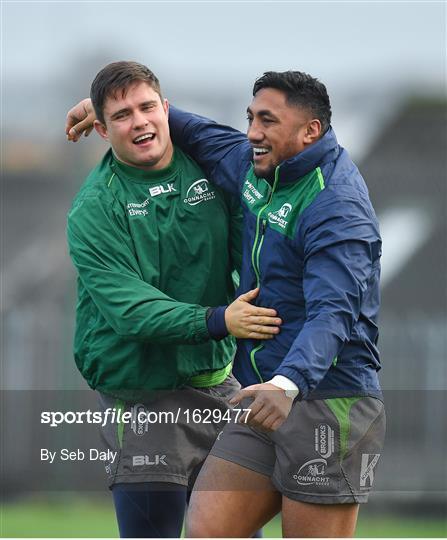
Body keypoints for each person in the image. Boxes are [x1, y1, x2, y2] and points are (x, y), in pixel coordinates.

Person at [66, 70, 386, 538]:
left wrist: (289, 382)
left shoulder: (337, 207)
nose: (252, 132)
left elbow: (333, 315)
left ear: (309, 131)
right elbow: (190, 127)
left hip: (325, 399)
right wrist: (113, 110)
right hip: (257, 397)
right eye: (250, 117)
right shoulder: (254, 166)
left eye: (267, 121)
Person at [65, 61, 281, 538]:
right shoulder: (95, 208)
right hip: (145, 395)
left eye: (147, 107)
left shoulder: (210, 168)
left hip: (220, 387)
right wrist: (221, 319)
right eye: (122, 115)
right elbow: (130, 310)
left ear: (167, 110)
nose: (140, 121)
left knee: (236, 532)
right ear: (101, 129)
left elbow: (251, 251)